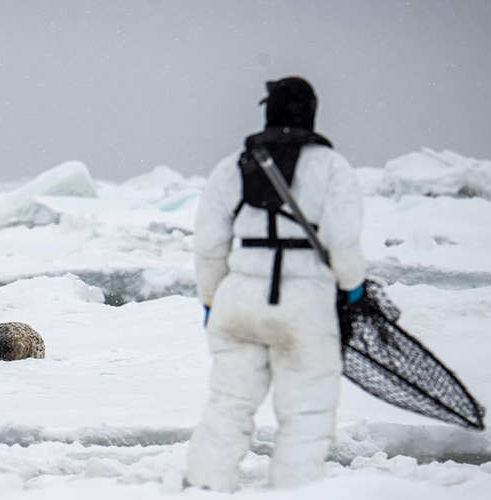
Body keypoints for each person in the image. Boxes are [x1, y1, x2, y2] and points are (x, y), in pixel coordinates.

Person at [186, 77, 366, 491]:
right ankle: (295, 492)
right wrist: (352, 288)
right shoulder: (332, 168)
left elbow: (209, 246)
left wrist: (212, 300)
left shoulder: (233, 166)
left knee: (228, 405)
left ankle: (205, 488)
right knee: (305, 415)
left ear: (269, 112)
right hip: (305, 304)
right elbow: (344, 241)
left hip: (239, 301)